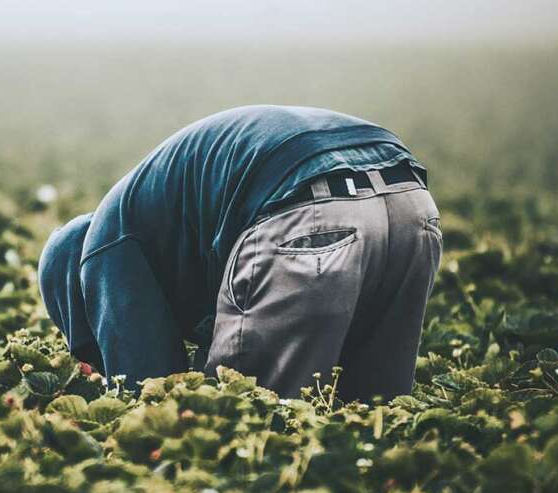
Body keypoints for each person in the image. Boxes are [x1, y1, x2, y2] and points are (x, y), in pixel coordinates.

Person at [38, 105, 442, 401]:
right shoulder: (152, 213)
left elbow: (152, 387)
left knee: (244, 416)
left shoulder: (104, 246)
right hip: (410, 201)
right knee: (376, 409)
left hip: (304, 211)